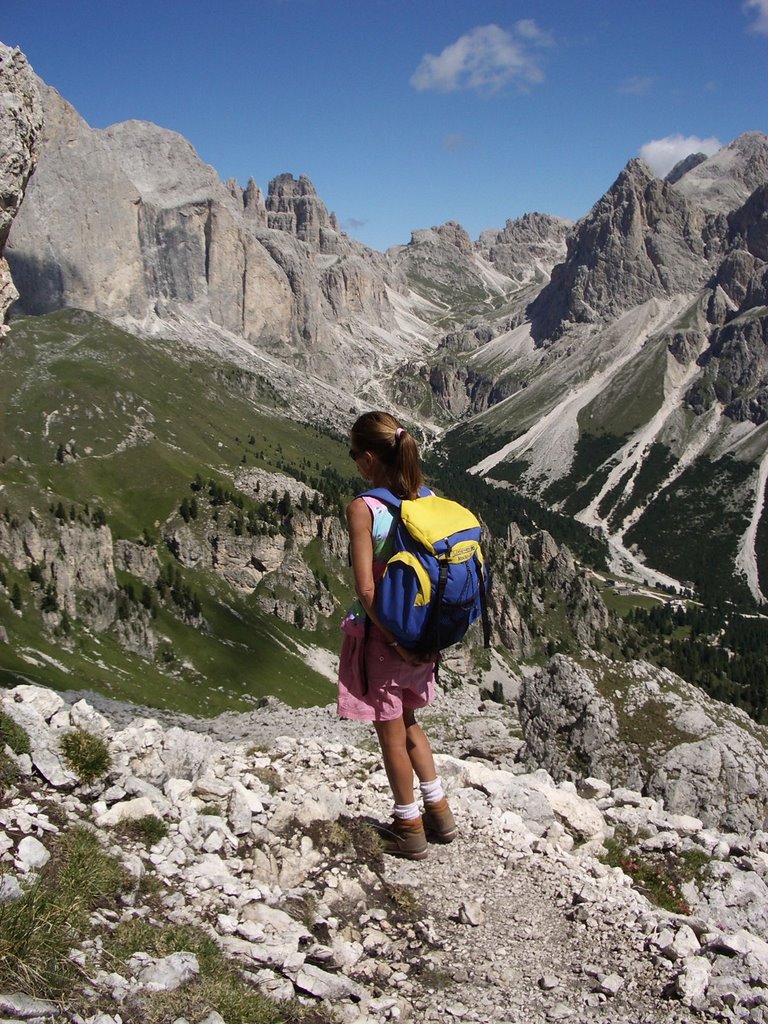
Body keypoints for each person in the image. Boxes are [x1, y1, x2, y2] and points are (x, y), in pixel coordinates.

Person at [337, 410, 456, 860]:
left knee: (389, 731)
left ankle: (408, 824)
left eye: (353, 454)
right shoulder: (424, 498)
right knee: (410, 722)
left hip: (387, 637)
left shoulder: (364, 508)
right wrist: (413, 640)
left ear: (368, 458)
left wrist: (390, 637)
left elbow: (366, 587)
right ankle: (439, 811)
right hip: (423, 633)